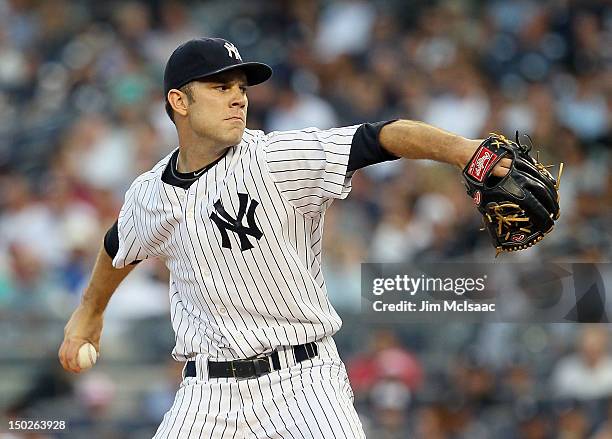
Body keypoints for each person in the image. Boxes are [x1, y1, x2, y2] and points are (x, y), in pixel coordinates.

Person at [58, 37, 511, 438]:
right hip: (207, 393)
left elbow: (382, 137)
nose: (238, 99)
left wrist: (466, 151)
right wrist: (89, 311)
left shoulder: (276, 158)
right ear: (179, 100)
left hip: (303, 382)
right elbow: (119, 246)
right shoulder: (150, 193)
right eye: (220, 88)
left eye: (241, 88)